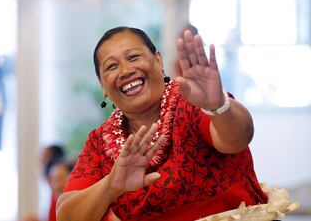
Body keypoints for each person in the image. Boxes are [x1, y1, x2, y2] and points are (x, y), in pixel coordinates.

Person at [56, 26, 268, 221]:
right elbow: (66, 215)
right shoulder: (100, 142)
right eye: (111, 66)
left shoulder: (191, 101)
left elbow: (238, 138)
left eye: (133, 57)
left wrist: (218, 106)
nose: (125, 70)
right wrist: (111, 185)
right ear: (103, 85)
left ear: (158, 60)